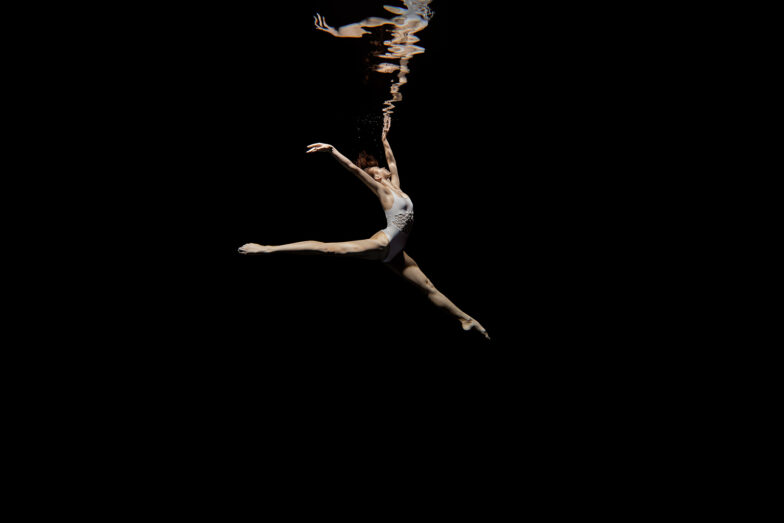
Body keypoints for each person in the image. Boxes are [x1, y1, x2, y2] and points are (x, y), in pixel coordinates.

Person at [239, 130, 490, 340]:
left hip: (396, 252)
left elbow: (391, 159)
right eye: (378, 168)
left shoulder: (397, 186)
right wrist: (332, 150)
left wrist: (384, 137)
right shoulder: (382, 189)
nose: (382, 166)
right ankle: (267, 248)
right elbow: (355, 170)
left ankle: (466, 319)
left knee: (427, 286)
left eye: (381, 166)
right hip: (383, 243)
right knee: (328, 248)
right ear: (378, 176)